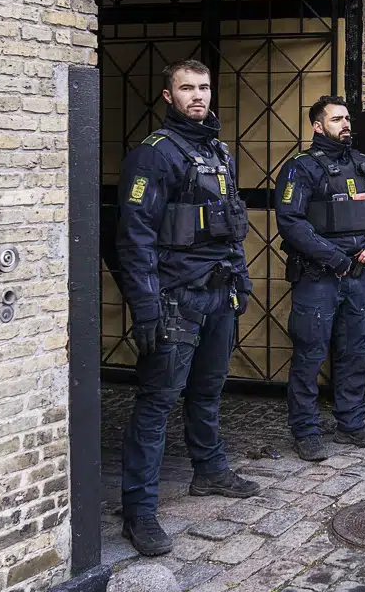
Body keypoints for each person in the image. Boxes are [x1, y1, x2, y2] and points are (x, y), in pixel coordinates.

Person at [113, 60, 260, 556]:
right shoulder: (153, 157)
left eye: (203, 88)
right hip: (175, 296)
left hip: (219, 292)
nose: (197, 96)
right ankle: (139, 510)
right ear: (167, 95)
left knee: (208, 388)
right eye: (186, 88)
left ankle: (210, 470)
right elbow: (133, 240)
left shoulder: (218, 151)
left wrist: (240, 279)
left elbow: (233, 223)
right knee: (156, 402)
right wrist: (146, 309)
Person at [276, 96, 365, 462]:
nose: (345, 124)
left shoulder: (362, 164)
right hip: (318, 279)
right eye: (337, 119)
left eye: (347, 118)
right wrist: (336, 259)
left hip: (359, 277)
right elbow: (291, 222)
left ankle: (351, 424)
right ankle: (306, 432)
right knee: (310, 356)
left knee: (356, 352)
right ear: (317, 126)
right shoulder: (301, 168)